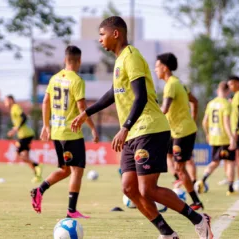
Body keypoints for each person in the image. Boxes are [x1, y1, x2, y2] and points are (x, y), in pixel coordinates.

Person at [71, 16, 213, 239]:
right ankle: (167, 233)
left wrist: (125, 127)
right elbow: (112, 94)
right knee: (129, 188)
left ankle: (199, 219)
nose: (100, 40)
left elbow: (141, 97)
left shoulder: (132, 56)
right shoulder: (119, 61)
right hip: (133, 133)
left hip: (149, 128)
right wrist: (86, 112)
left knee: (148, 189)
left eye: (102, 34)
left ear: (115, 33)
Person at [30, 46, 99, 219]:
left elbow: (45, 102)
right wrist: (92, 127)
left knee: (64, 169)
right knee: (77, 171)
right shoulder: (77, 80)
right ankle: (71, 210)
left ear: (64, 60)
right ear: (79, 61)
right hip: (72, 134)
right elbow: (82, 108)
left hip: (57, 132)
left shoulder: (54, 79)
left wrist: (46, 125)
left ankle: (40, 190)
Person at [155, 52, 203, 209]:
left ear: (164, 67)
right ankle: (178, 180)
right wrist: (192, 120)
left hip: (182, 132)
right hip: (177, 131)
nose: (155, 70)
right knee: (169, 158)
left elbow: (164, 109)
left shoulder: (171, 85)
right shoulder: (179, 83)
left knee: (180, 167)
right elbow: (194, 102)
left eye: (157, 67)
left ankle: (195, 201)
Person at [199, 81, 237, 195]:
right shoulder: (226, 104)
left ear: (217, 91)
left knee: (215, 162)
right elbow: (226, 122)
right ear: (227, 91)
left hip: (214, 137)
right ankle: (230, 189)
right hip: (224, 138)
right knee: (230, 162)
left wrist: (207, 134)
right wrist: (232, 138)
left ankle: (202, 180)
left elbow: (204, 121)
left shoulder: (211, 103)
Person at [4, 95, 42, 183]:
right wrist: (14, 130)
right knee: (25, 156)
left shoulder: (15, 107)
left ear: (11, 100)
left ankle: (37, 165)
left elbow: (24, 117)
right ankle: (37, 175)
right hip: (24, 135)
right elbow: (18, 123)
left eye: (6, 100)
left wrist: (17, 128)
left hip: (25, 135)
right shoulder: (13, 109)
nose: (5, 103)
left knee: (18, 153)